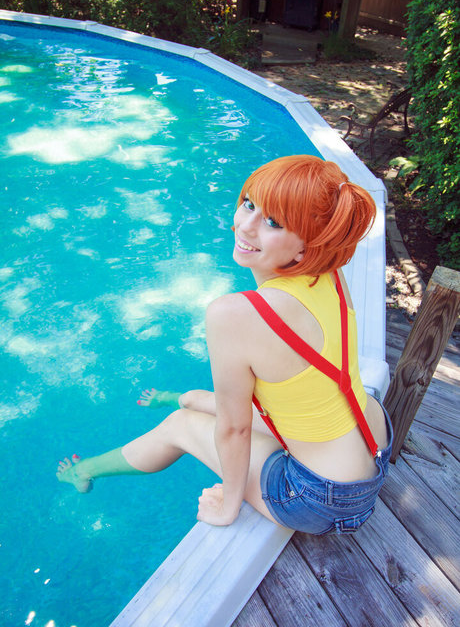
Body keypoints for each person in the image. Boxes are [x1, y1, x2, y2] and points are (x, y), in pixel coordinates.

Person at [57, 155, 392, 534]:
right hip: (376, 444)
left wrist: (227, 505)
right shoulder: (329, 271)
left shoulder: (235, 314)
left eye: (273, 222)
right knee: (203, 402)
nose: (245, 225)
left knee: (180, 425)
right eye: (249, 203)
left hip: (321, 498)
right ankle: (183, 397)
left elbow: (235, 431)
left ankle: (84, 471)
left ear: (305, 246)